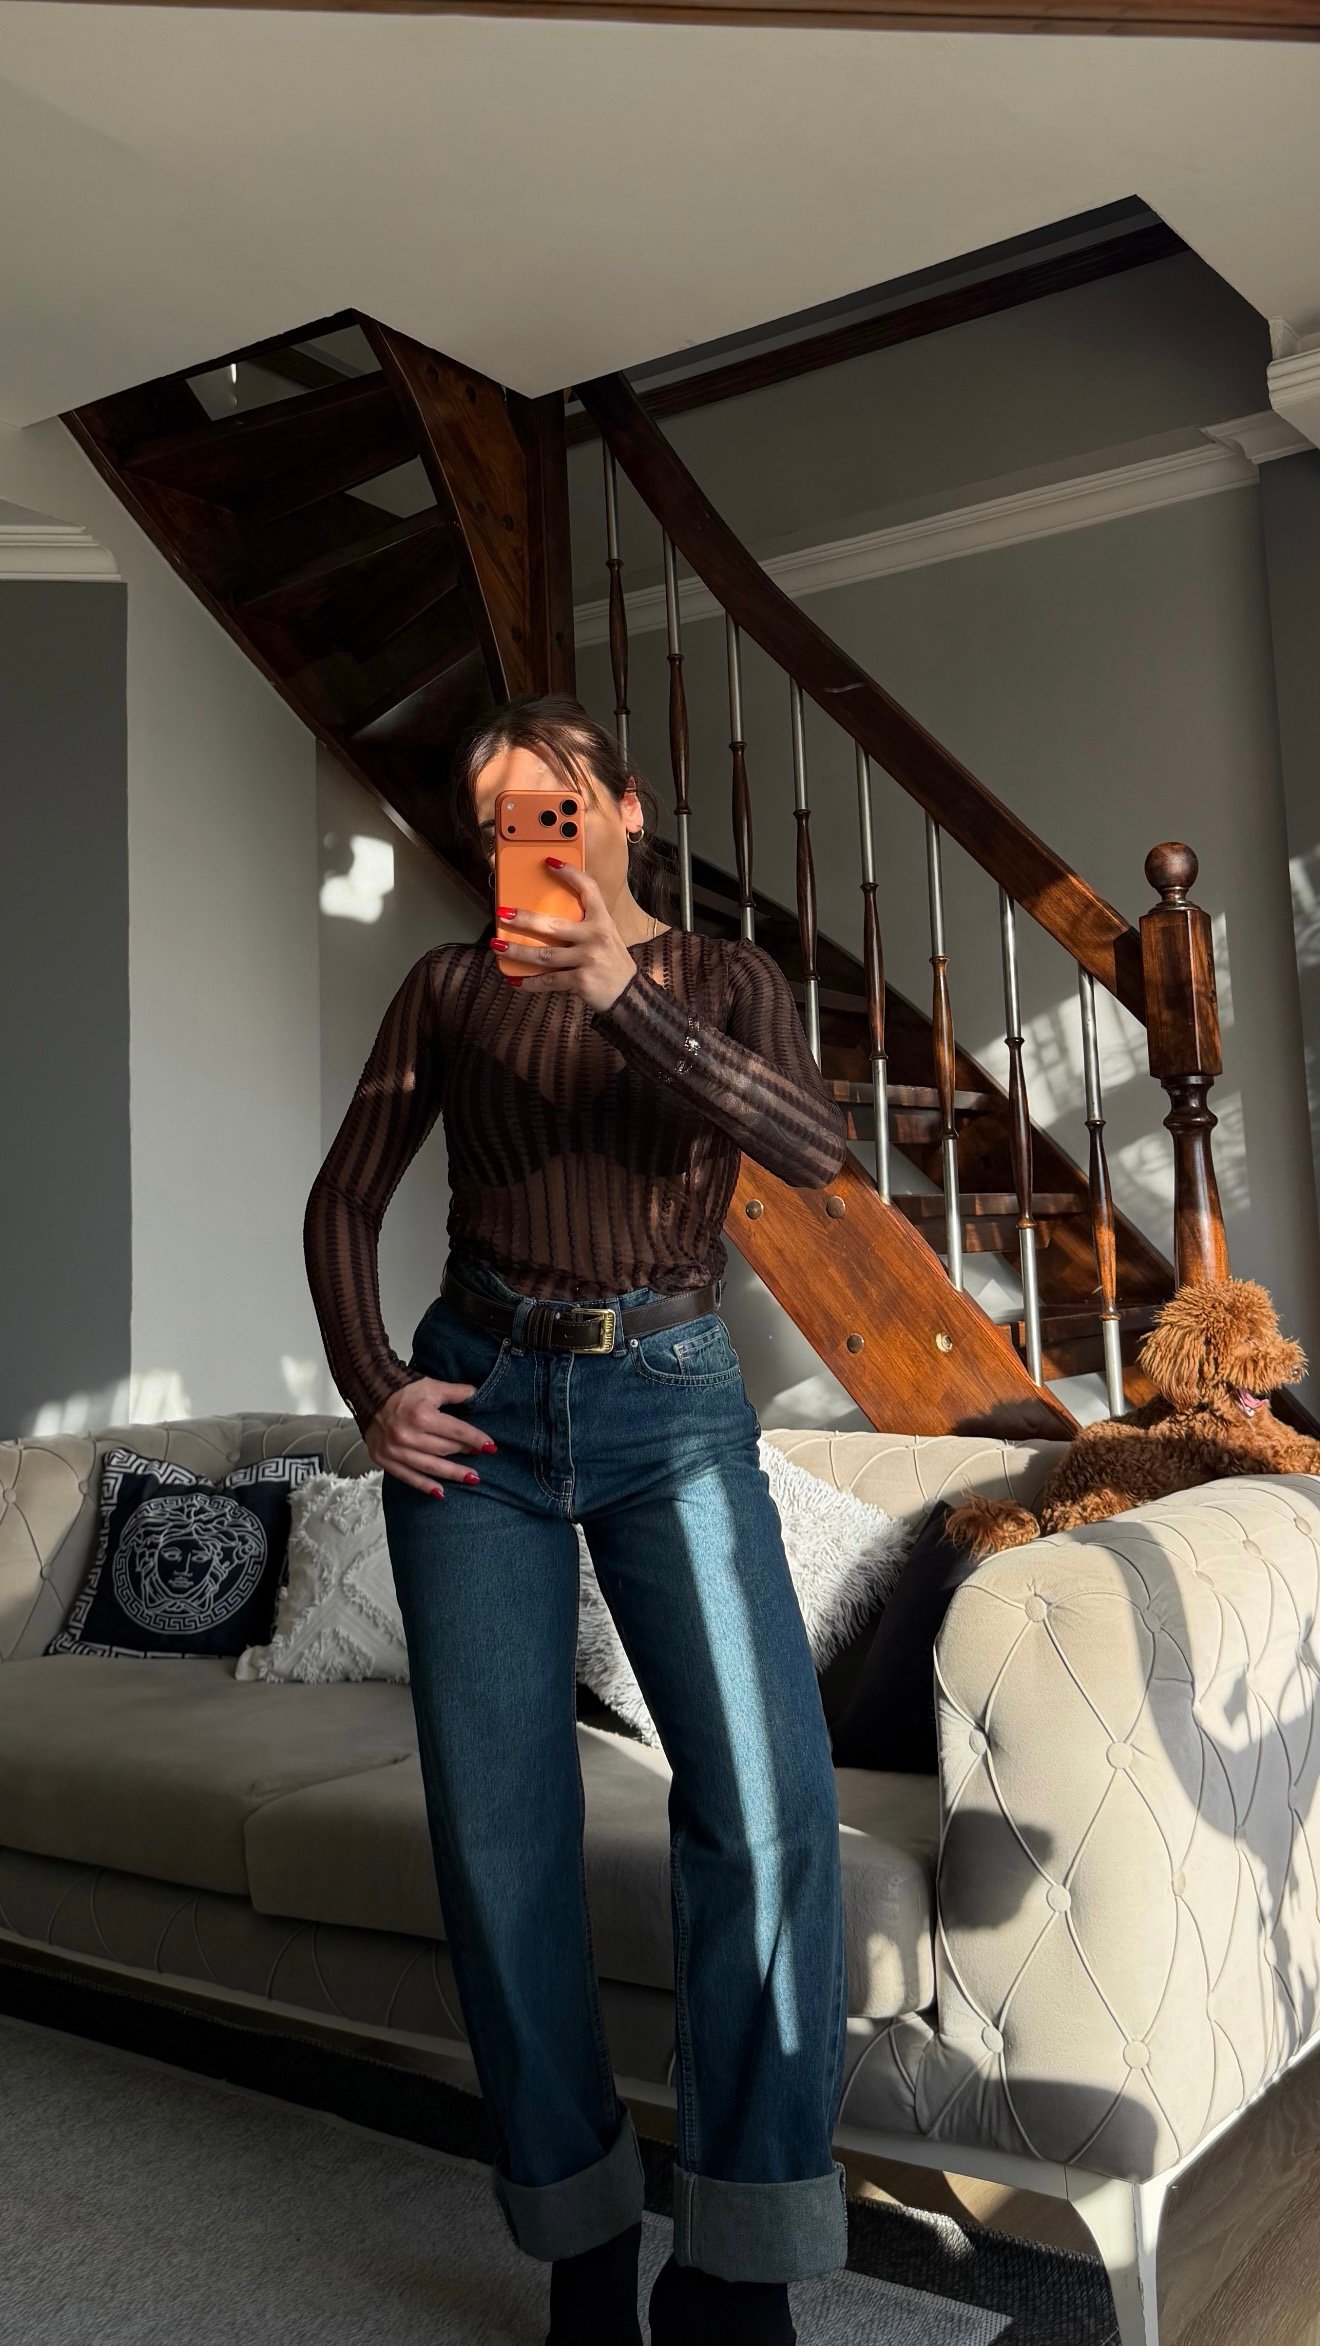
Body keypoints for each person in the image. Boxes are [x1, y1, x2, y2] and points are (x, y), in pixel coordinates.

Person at [303, 694, 853, 2346]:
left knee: (767, 1808)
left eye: (553, 805)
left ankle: (737, 2265)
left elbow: (816, 1149)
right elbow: (345, 1194)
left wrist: (622, 988)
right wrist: (372, 1383)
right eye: (499, 821)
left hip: (670, 1407)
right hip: (478, 1407)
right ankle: (583, 2239)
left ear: (622, 809)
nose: (526, 838)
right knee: (500, 1839)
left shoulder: (723, 978)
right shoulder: (446, 988)